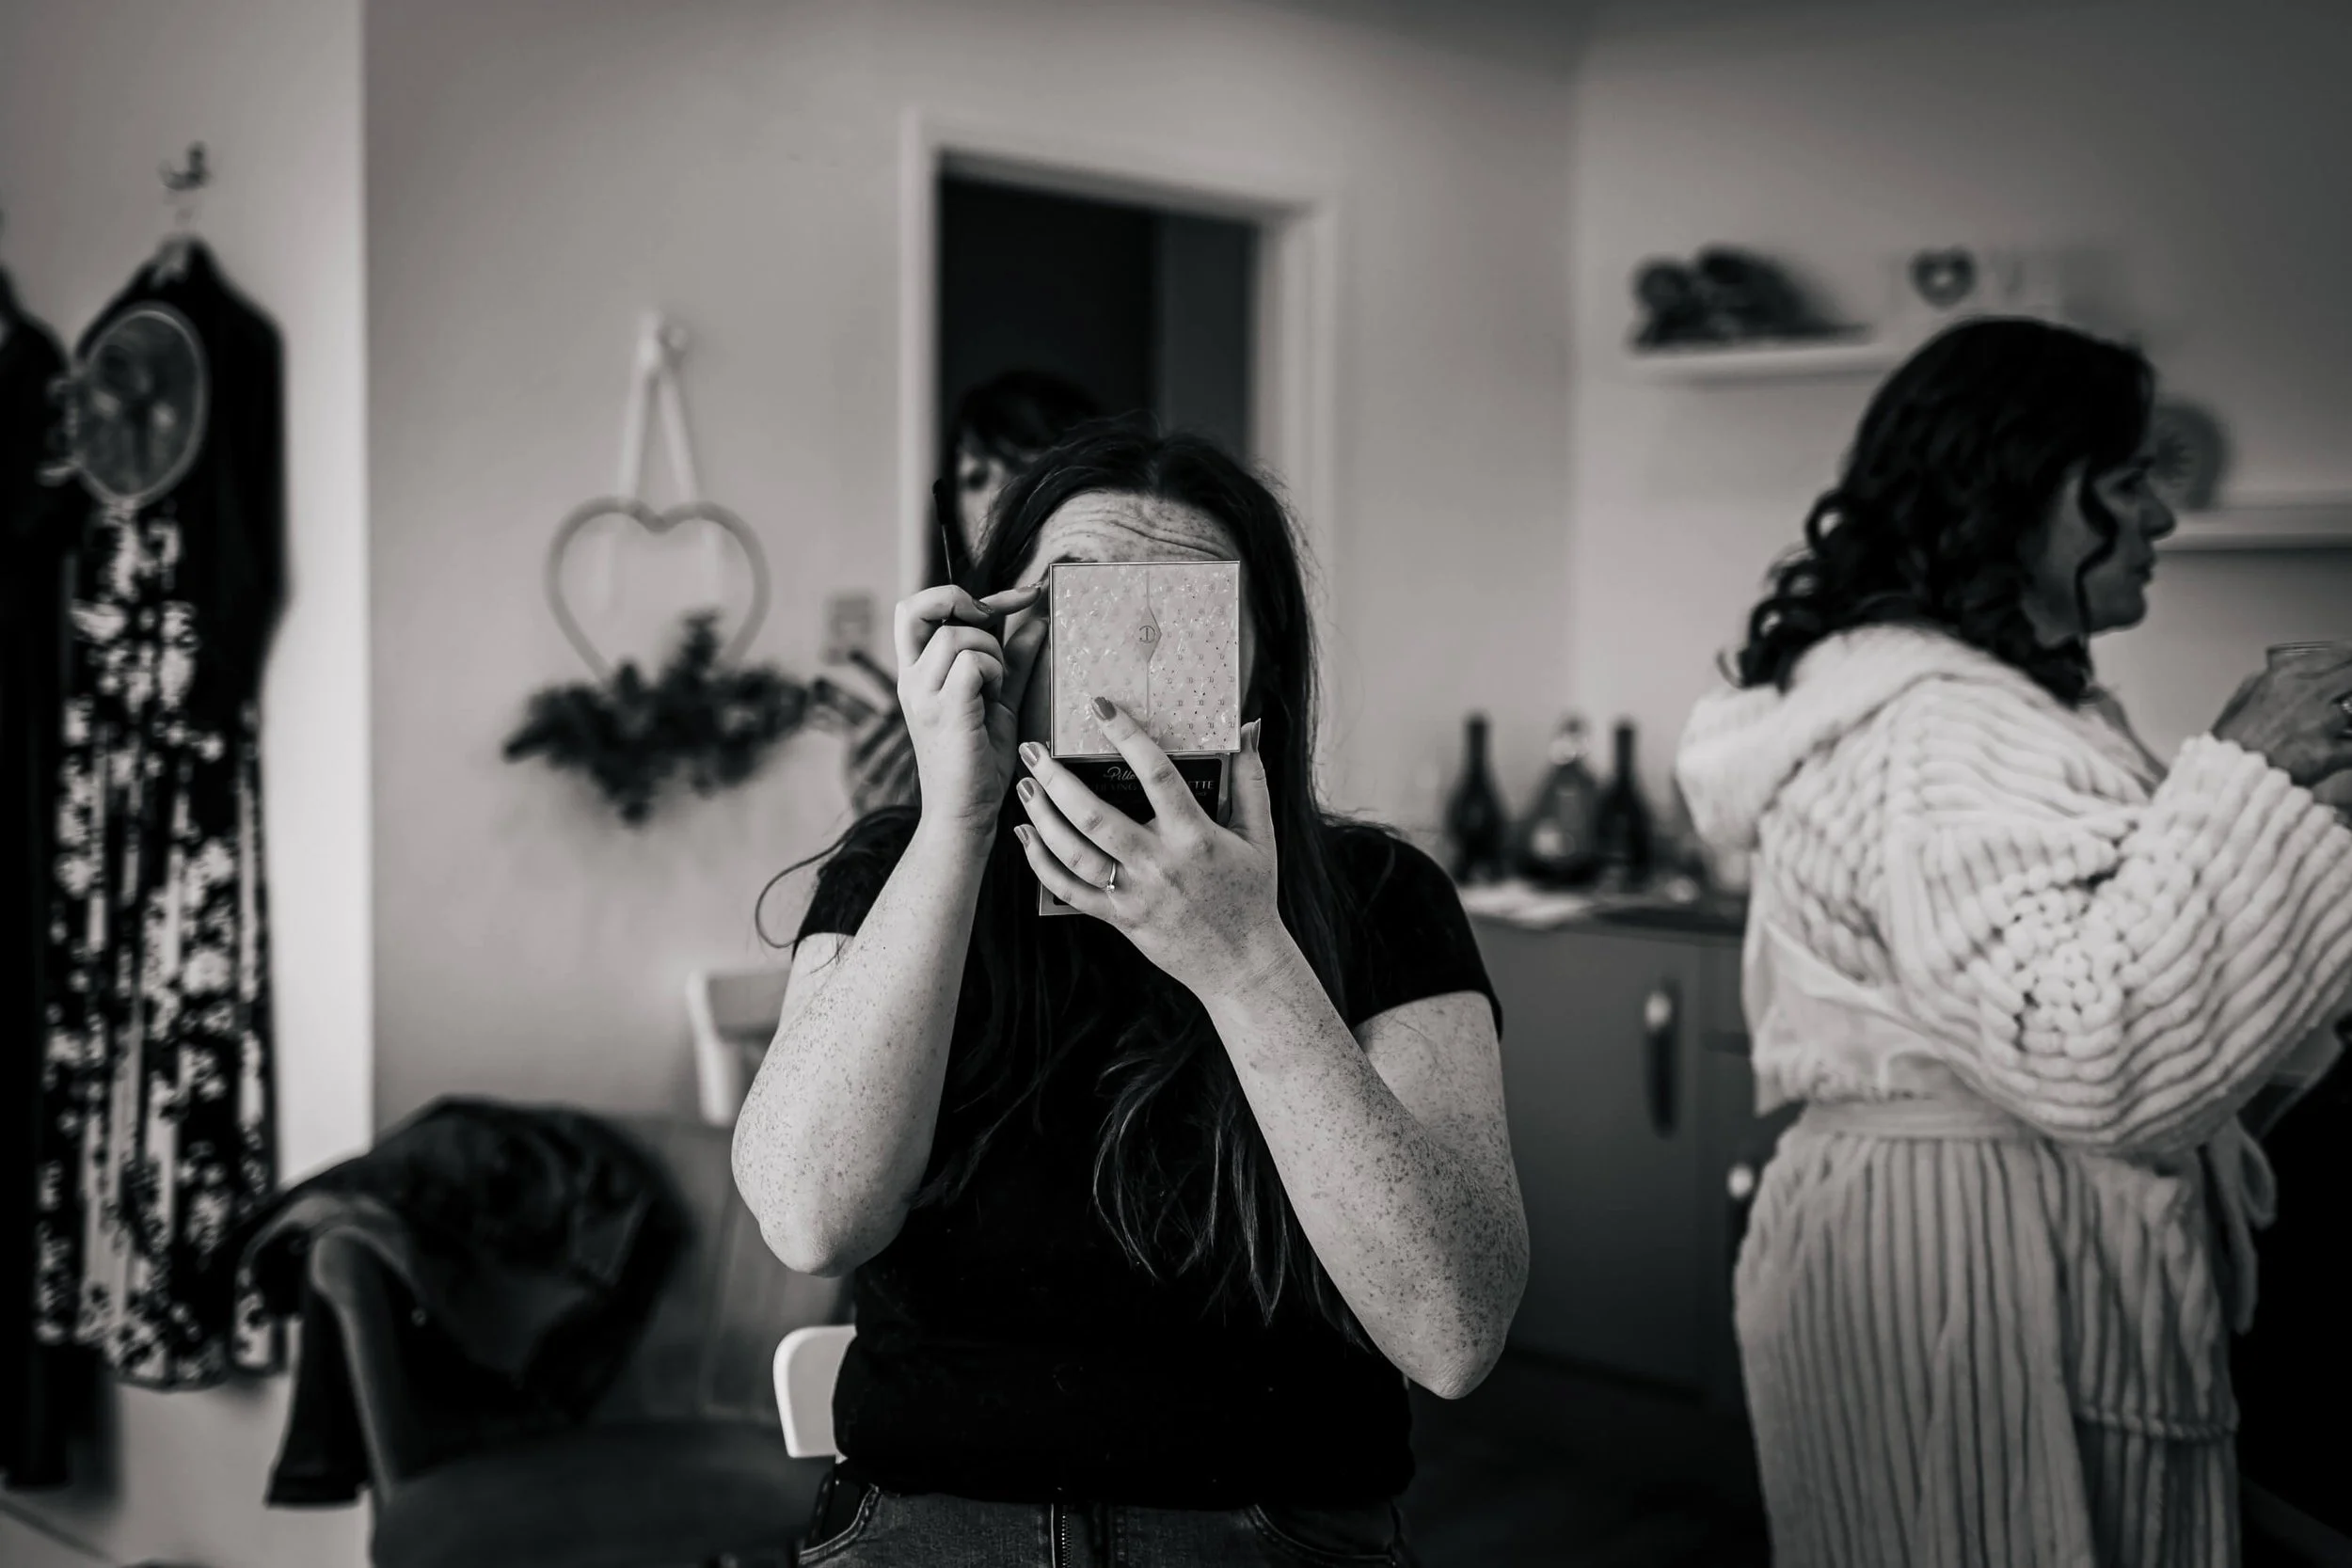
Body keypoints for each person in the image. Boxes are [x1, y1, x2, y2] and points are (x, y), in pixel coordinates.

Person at [735, 427, 1527, 1567]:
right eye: (1078, 601)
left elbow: (1454, 1329)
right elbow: (813, 1217)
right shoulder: (894, 871)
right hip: (924, 1517)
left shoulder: (1379, 894)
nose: (1130, 660)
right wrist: (955, 820)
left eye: (1185, 613)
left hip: (1272, 1526)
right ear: (998, 636)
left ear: (1259, 662)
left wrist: (1246, 960)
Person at [1673, 316, 2352, 1568]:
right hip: (1969, 1263)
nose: (2161, 516)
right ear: (2012, 490)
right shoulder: (1938, 730)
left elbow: (2107, 945)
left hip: (1969, 1230)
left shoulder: (1980, 706)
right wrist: (2247, 766)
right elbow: (2085, 1042)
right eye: (2127, 479)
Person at [824, 371, 1105, 818]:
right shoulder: (941, 659)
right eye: (974, 478)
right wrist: (892, 814)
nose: (997, 497)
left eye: (1024, 467)